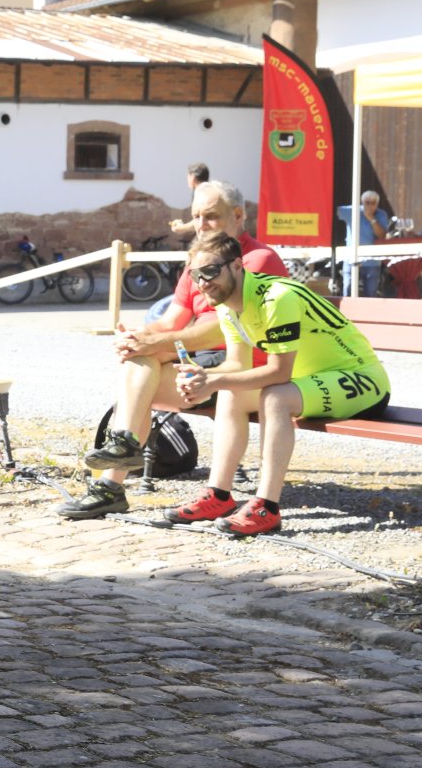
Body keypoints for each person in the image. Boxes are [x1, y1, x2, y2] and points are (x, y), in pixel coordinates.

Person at [57, 180, 289, 519]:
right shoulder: (200, 259)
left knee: (140, 377)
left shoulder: (256, 259)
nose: (201, 225)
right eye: (195, 216)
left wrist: (156, 343)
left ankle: (113, 476)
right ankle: (115, 469)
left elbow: (221, 330)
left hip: (245, 369)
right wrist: (136, 337)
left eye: (210, 216)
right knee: (138, 362)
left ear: (238, 215)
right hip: (205, 362)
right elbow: (170, 322)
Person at [170, 231, 391, 535]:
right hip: (312, 380)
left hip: (362, 378)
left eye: (210, 271)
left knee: (276, 396)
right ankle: (218, 495)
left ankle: (267, 507)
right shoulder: (226, 303)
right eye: (195, 275)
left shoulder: (277, 297)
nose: (203, 282)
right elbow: (237, 365)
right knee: (231, 391)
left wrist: (214, 379)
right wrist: (203, 379)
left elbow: (279, 373)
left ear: (237, 266)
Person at [336, 190, 391, 297]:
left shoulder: (381, 214)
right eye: (367, 202)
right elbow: (332, 211)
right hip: (351, 258)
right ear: (362, 202)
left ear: (377, 204)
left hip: (372, 261)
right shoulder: (352, 211)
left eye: (373, 203)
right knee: (348, 291)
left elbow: (382, 236)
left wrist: (371, 219)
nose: (370, 205)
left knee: (371, 294)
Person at [168, 162, 210, 236]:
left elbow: (200, 222)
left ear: (192, 177)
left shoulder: (201, 193)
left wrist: (181, 228)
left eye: (188, 177)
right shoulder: (209, 190)